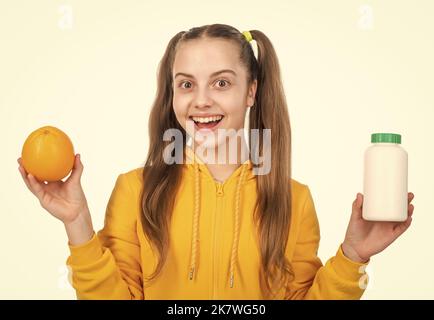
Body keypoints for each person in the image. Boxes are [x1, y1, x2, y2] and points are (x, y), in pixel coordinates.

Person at [17, 24, 415, 300]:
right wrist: (78, 223)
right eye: (186, 84)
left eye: (221, 82)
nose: (201, 100)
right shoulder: (135, 190)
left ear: (251, 92)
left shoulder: (294, 200)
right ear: (171, 95)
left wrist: (353, 255)